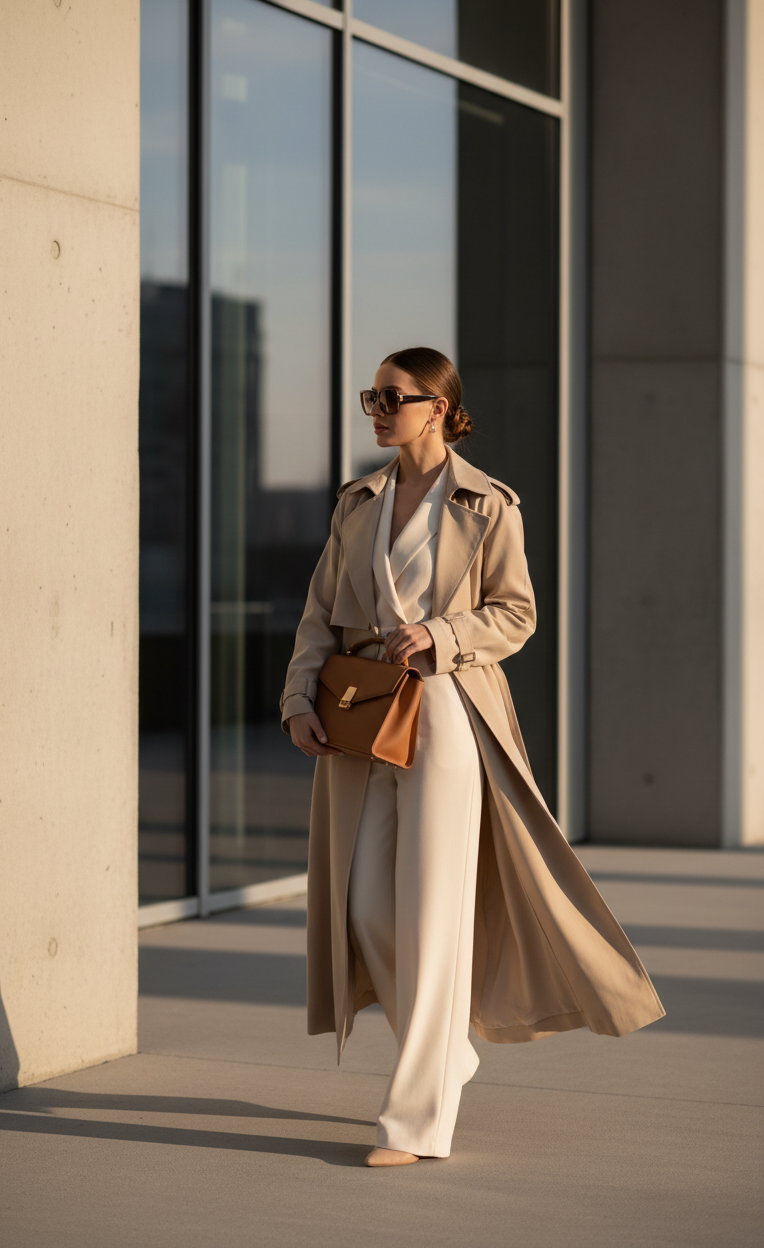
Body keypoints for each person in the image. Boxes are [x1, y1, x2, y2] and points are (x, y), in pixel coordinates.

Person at [280, 346, 664, 1168]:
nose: (377, 408)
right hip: (361, 718)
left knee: (432, 915)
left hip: (449, 713)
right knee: (366, 909)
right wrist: (296, 699)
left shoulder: (488, 505)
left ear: (442, 409)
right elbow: (318, 615)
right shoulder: (359, 501)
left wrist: (442, 635)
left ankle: (416, 1121)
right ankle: (449, 1053)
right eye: (370, 395)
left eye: (392, 396)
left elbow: (516, 614)